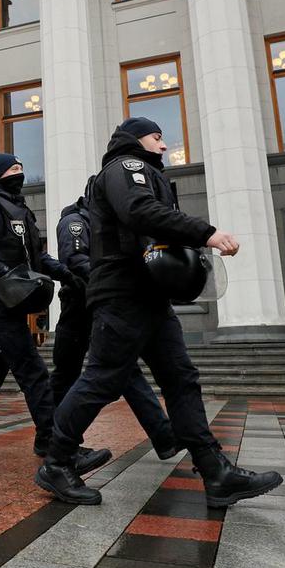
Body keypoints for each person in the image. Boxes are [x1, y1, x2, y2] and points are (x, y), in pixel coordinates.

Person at [36, 118, 282, 506]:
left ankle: (215, 471)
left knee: (181, 378)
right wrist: (206, 233)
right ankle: (57, 461)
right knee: (102, 380)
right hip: (122, 293)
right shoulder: (124, 169)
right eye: (157, 136)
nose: (164, 146)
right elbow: (139, 211)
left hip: (148, 294)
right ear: (137, 139)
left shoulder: (149, 174)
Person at [0, 153, 105, 474]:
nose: (20, 173)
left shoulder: (22, 210)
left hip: (15, 303)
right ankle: (57, 444)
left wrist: (68, 274)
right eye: (14, 169)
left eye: (21, 168)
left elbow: (37, 257)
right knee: (33, 371)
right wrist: (3, 273)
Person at [52, 183, 178, 459]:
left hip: (103, 306)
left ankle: (163, 435)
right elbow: (74, 259)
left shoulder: (107, 221)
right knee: (67, 375)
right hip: (79, 308)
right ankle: (55, 442)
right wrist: (109, 280)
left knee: (126, 371)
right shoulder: (75, 221)